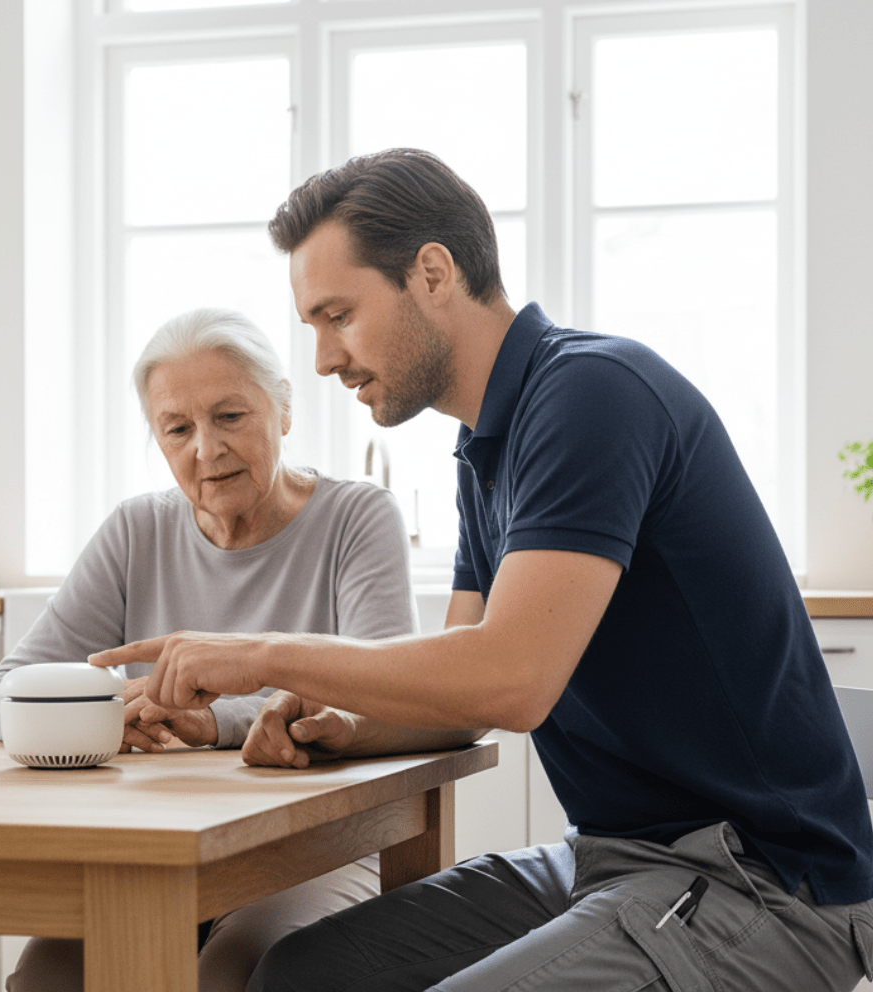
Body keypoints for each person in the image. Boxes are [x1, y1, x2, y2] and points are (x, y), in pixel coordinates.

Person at [92, 149, 873, 992]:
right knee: (298, 973)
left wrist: (261, 654)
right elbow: (456, 695)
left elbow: (510, 683)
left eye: (337, 315)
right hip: (618, 861)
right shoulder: (486, 450)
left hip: (760, 885)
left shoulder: (593, 395)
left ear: (432, 272)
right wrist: (341, 729)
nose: (322, 358)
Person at [0, 306, 480, 992]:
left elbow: (377, 696)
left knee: (236, 969)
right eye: (177, 428)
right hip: (162, 847)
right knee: (50, 976)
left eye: (230, 417)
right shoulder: (136, 530)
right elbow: (2, 690)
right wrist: (94, 714)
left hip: (324, 844)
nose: (205, 449)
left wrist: (216, 720)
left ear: (283, 410)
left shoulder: (357, 518)